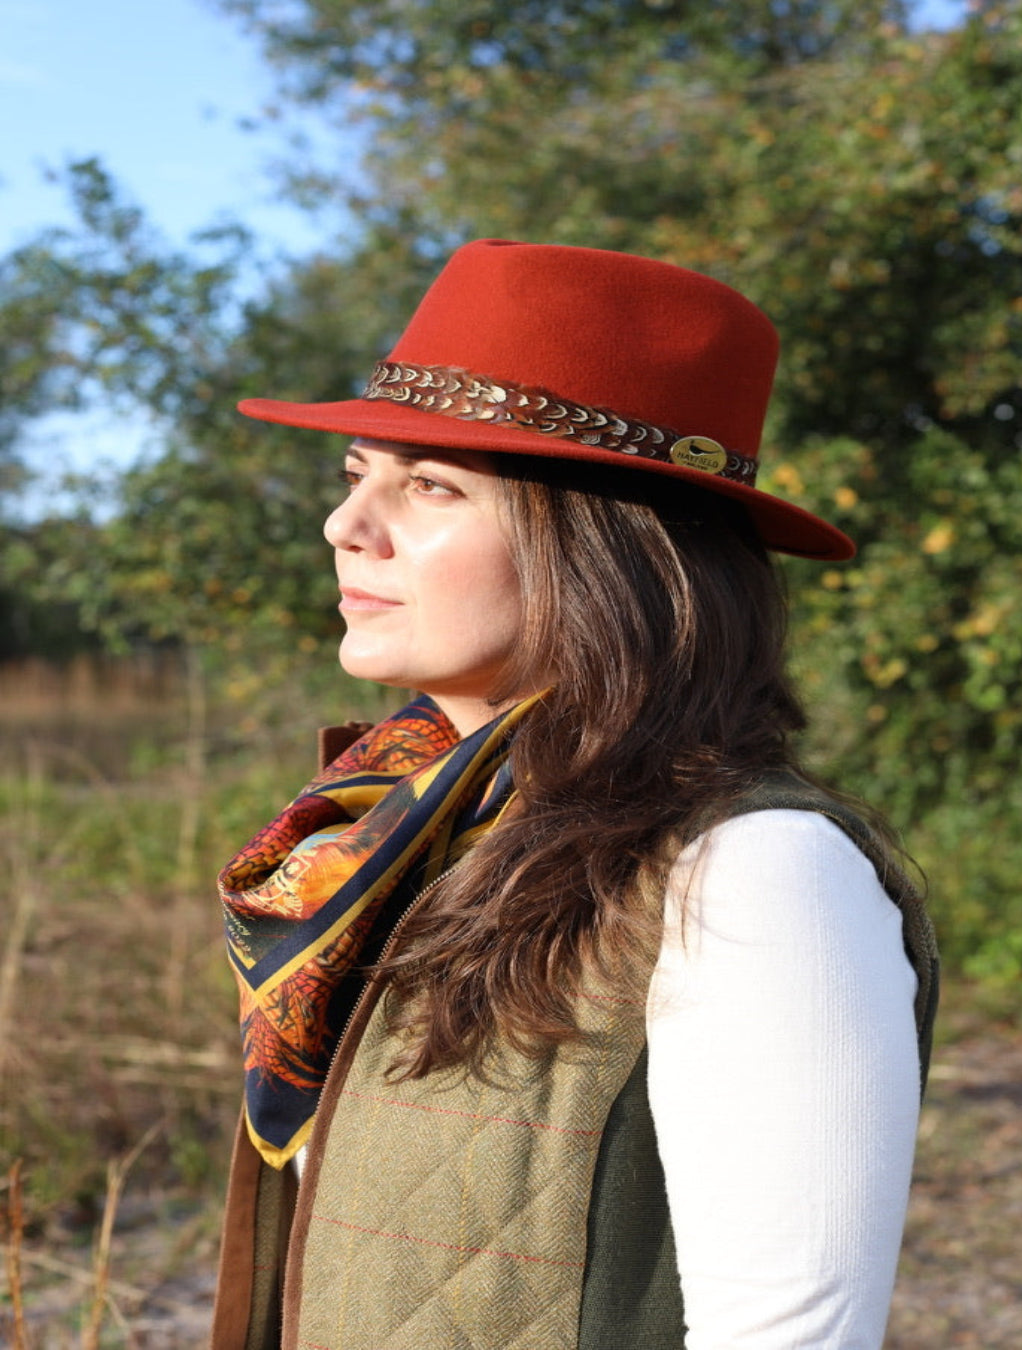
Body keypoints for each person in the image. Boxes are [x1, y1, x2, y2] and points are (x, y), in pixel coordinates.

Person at [211, 239, 938, 1350]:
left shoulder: (755, 870)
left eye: (433, 486)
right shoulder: (399, 836)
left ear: (610, 549)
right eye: (357, 475)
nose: (346, 527)